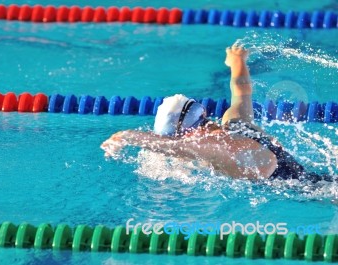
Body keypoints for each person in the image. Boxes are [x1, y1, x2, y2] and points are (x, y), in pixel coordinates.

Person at [101, 43, 331, 183]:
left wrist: (126, 136)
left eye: (202, 113)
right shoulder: (235, 124)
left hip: (322, 194)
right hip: (319, 182)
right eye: (198, 118)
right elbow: (241, 89)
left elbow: (173, 147)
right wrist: (238, 60)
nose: (207, 121)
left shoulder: (220, 150)